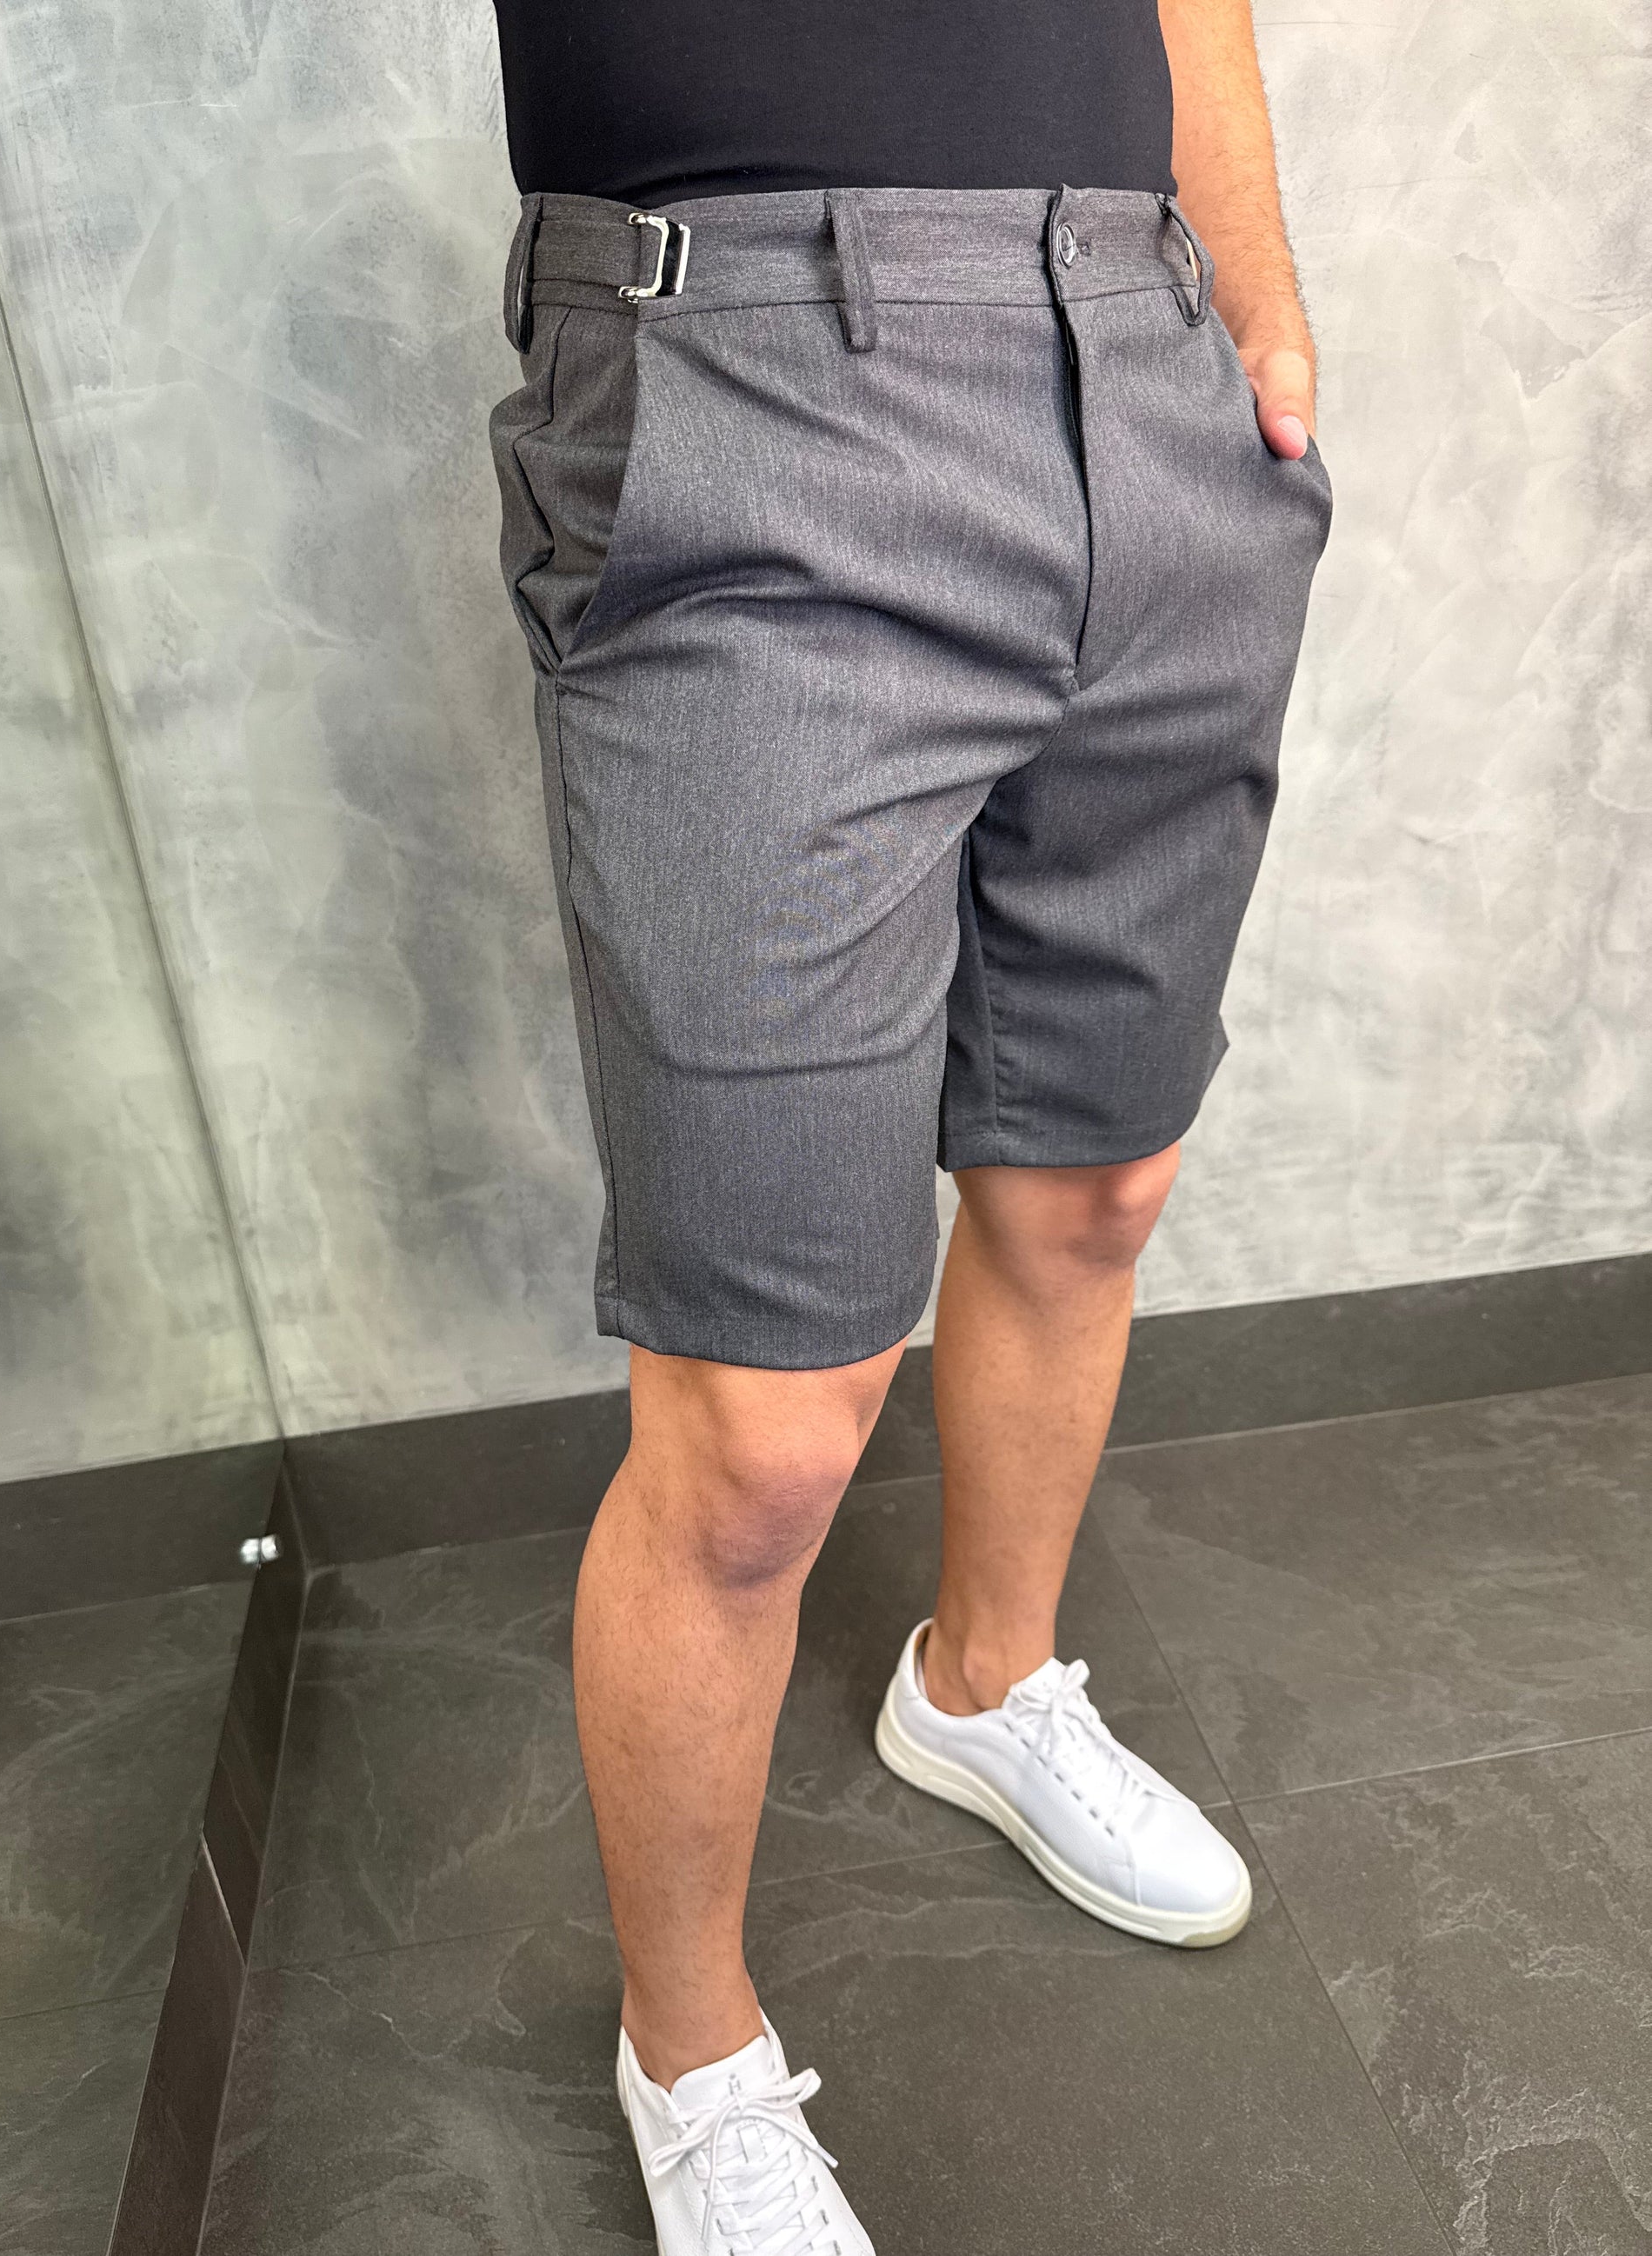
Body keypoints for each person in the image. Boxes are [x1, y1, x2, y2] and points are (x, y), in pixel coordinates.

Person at [486, 3, 1331, 2246]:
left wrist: (1252, 314)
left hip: (1140, 362)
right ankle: (691, 2056)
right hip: (742, 379)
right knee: (770, 1424)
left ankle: (984, 1686)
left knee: (1094, 1181)